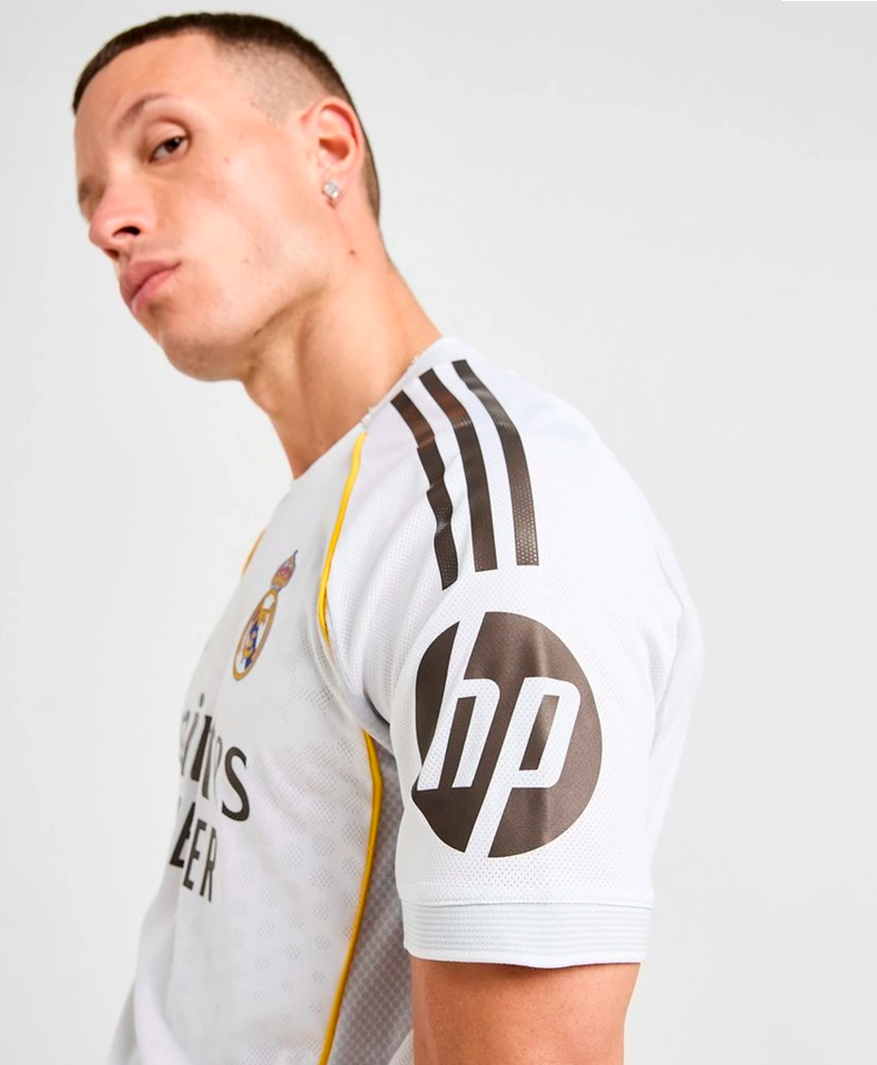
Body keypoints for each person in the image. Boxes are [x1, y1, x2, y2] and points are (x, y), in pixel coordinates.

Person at [72, 13, 703, 1065]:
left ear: (328, 148)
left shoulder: (489, 527)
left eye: (165, 144)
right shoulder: (326, 514)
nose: (109, 222)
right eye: (91, 199)